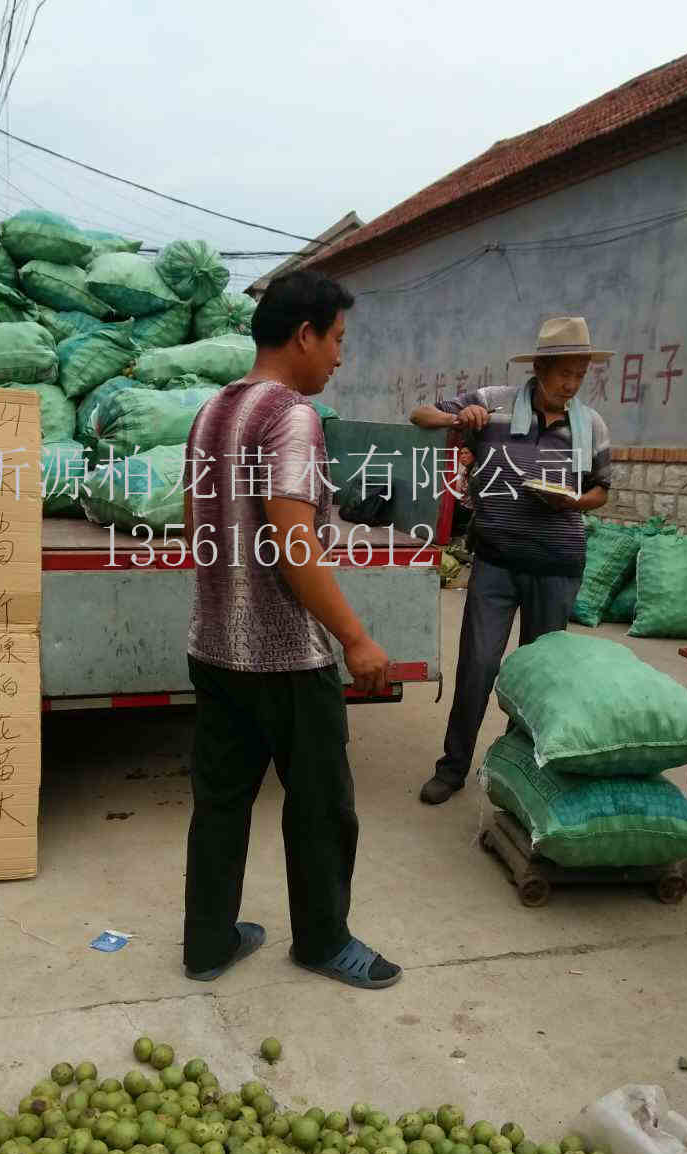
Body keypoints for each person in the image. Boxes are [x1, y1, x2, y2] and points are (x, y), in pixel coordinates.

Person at [181, 269, 402, 989]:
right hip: (286, 660)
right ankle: (322, 941)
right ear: (304, 334)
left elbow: (194, 524)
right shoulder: (292, 416)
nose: (340, 356)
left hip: (215, 648)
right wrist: (355, 637)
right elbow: (291, 542)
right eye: (337, 339)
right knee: (319, 809)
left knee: (220, 804)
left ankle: (208, 942)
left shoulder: (211, 411)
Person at [411, 316, 614, 805]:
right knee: (478, 666)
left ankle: (512, 768)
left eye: (580, 375)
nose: (571, 385)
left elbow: (601, 490)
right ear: (539, 368)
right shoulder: (494, 403)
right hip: (496, 561)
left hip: (557, 566)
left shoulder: (590, 424)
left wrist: (573, 502)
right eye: (564, 373)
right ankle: (453, 767)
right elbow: (419, 415)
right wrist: (460, 419)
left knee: (536, 677)